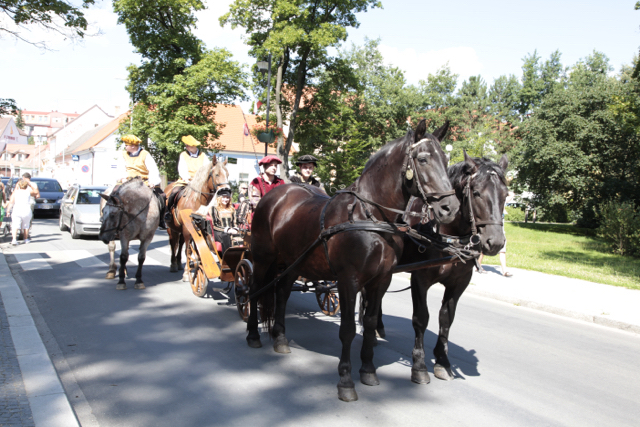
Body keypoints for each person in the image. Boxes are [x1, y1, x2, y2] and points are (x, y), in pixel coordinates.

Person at [116, 134, 167, 229]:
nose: (125, 146)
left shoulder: (145, 155)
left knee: (162, 196)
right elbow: (120, 168)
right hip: (127, 181)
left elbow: (153, 169)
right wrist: (122, 178)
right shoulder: (123, 155)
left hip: (143, 181)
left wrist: (152, 181)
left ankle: (161, 219)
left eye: (126, 145)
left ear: (133, 146)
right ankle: (111, 217)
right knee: (114, 193)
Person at [6, 180, 38, 245]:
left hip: (17, 210)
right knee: (26, 226)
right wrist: (30, 185)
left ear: (19, 185)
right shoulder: (28, 192)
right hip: (26, 210)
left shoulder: (16, 192)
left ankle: (14, 240)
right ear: (26, 186)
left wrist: (8, 210)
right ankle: (26, 239)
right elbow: (36, 192)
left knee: (15, 225)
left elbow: (11, 202)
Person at [210, 188, 239, 254]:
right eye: (223, 197)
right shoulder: (214, 209)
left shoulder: (232, 209)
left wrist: (235, 229)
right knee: (226, 236)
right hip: (219, 232)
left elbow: (234, 223)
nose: (225, 199)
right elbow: (215, 225)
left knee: (243, 235)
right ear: (219, 198)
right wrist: (227, 230)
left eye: (227, 198)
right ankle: (227, 258)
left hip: (231, 230)